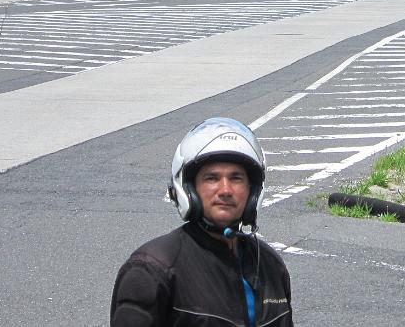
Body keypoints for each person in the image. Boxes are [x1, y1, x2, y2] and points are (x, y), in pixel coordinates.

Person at [111, 117, 293, 326]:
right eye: (211, 178)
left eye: (236, 178)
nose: (225, 190)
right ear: (189, 189)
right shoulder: (152, 270)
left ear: (252, 191)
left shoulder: (270, 265)